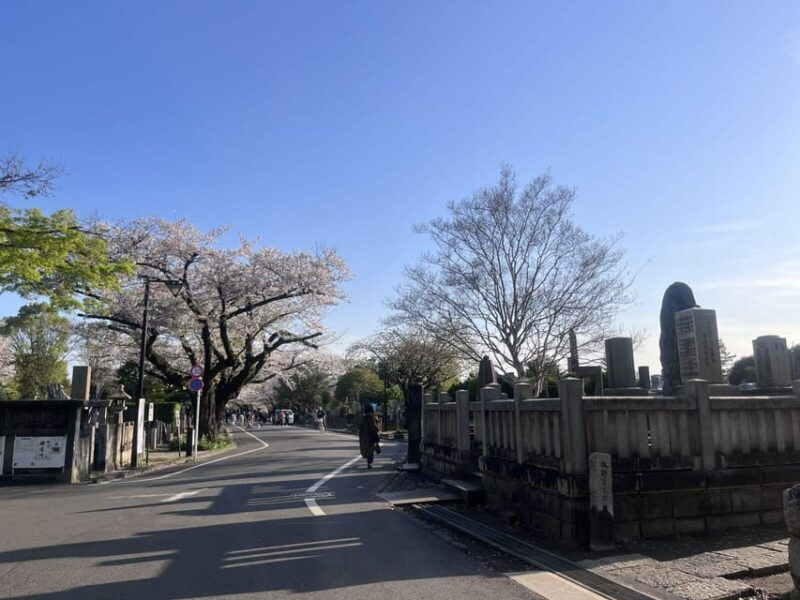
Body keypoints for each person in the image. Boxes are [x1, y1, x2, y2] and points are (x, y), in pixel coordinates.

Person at [358, 404, 381, 469]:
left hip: (365, 436)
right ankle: (369, 463)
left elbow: (360, 427)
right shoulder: (373, 417)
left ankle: (368, 462)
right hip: (372, 436)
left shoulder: (363, 418)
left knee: (367, 449)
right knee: (371, 450)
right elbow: (375, 426)